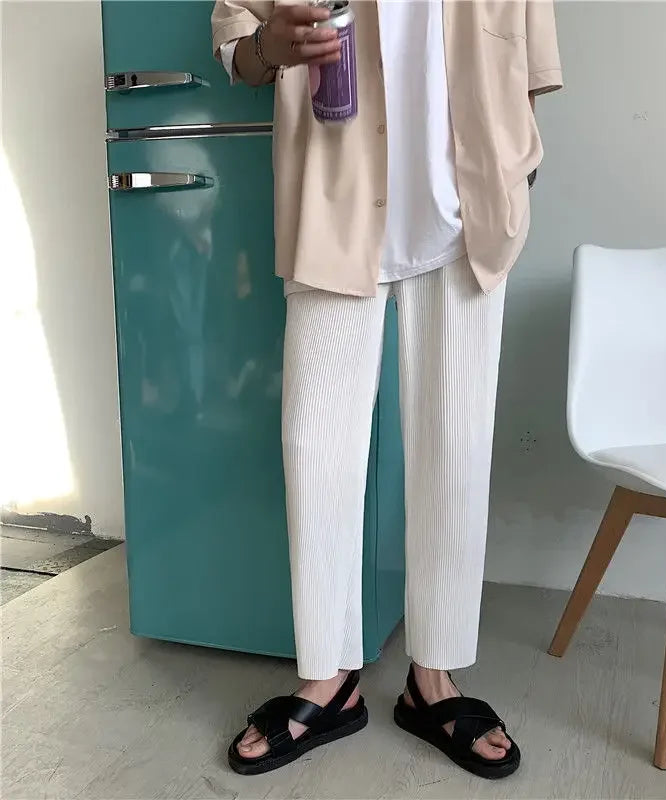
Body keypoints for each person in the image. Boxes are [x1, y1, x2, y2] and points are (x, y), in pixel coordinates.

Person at [211, 0, 562, 780]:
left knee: (453, 450)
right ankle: (327, 678)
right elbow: (236, 39)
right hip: (333, 208)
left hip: (468, 218)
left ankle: (434, 678)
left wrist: (515, 173)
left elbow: (531, 66)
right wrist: (270, 45)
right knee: (316, 451)